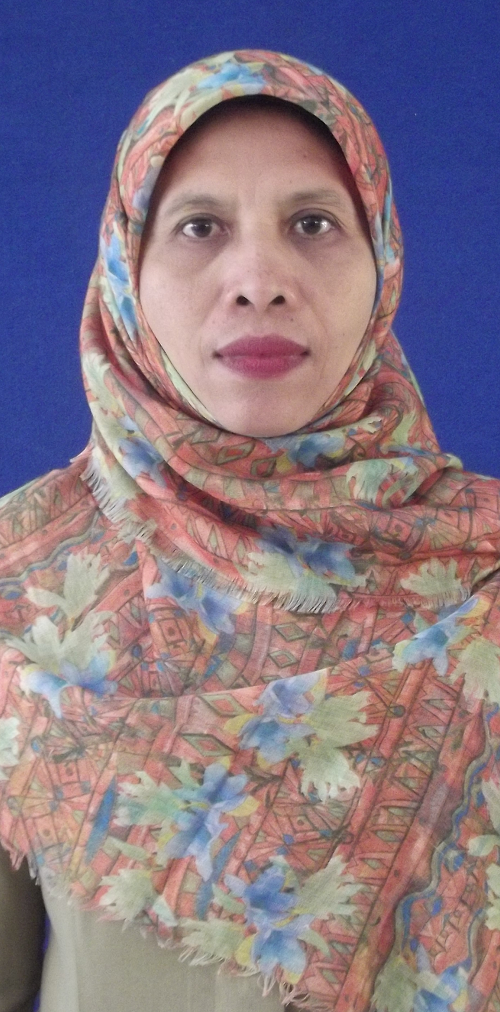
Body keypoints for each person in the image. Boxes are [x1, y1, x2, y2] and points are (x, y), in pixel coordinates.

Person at [1, 48, 500, 1012]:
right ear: (126, 269)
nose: (259, 279)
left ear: (382, 262)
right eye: (199, 227)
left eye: (313, 224)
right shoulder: (23, 580)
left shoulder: (483, 575)